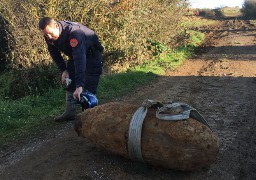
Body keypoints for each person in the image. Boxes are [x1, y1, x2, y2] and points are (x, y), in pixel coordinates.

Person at [39, 17, 103, 122]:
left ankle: (91, 118)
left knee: (88, 88)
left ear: (56, 26)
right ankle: (70, 112)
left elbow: (80, 59)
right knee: (70, 81)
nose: (49, 37)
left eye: (50, 33)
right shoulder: (49, 36)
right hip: (75, 55)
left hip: (92, 55)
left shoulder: (74, 33)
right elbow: (54, 54)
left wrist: (80, 85)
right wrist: (64, 70)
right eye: (46, 35)